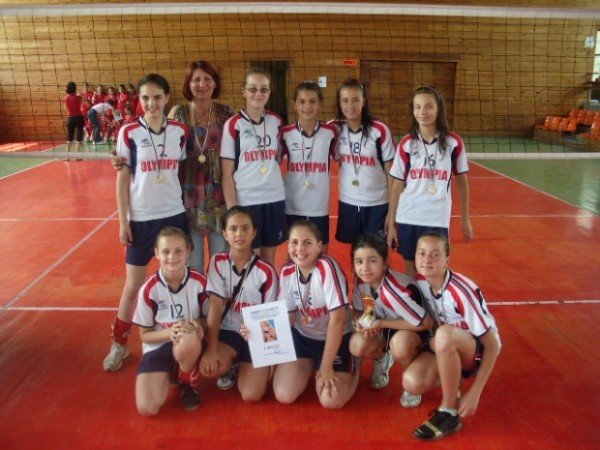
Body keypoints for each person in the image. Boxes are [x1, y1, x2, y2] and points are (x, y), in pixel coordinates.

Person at [103, 73, 191, 373]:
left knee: (178, 280)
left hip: (174, 214)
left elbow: (179, 171)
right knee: (133, 285)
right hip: (141, 219)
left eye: (157, 97)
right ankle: (119, 343)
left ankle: (184, 339)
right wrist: (123, 221)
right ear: (139, 100)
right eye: (145, 98)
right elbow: (123, 178)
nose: (151, 103)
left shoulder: (180, 131)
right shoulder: (128, 132)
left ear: (167, 98)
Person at [405, 232, 500, 441]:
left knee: (443, 335)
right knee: (412, 383)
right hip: (446, 345)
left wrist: (475, 392)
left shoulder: (460, 291)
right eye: (421, 253)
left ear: (447, 260)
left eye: (435, 254)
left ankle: (449, 412)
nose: (427, 259)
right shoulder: (420, 283)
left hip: (474, 352)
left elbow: (493, 344)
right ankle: (454, 381)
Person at [387, 86, 473, 278]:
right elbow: (396, 185)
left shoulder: (453, 143)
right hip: (408, 216)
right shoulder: (407, 143)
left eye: (428, 106)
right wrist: (391, 223)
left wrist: (465, 219)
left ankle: (434, 299)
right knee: (411, 271)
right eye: (418, 107)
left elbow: (462, 182)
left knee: (435, 270)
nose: (422, 112)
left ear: (438, 109)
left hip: (437, 218)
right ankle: (414, 298)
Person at [273, 220, 359, 409]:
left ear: (319, 246)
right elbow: (288, 318)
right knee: (283, 394)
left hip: (335, 339)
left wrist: (326, 366)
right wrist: (266, 344)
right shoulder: (287, 272)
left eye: (307, 243)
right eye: (294, 242)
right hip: (303, 339)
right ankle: (311, 364)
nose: (300, 249)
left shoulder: (327, 267)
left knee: (331, 400)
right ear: (287, 246)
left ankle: (354, 366)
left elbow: (338, 319)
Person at [200, 206, 278, 401]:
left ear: (254, 233)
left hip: (255, 334)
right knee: (208, 367)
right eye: (233, 229)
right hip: (228, 331)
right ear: (224, 234)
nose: (239, 234)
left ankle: (244, 364)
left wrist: (270, 358)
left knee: (251, 395)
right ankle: (232, 363)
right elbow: (215, 308)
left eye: (245, 228)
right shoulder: (218, 262)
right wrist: (211, 350)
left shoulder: (266, 271)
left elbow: (270, 319)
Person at [168, 60, 235, 273]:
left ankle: (217, 296)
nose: (202, 84)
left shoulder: (226, 113)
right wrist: (126, 158)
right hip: (188, 201)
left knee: (220, 265)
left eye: (207, 79)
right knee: (193, 265)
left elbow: (241, 149)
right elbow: (160, 145)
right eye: (196, 79)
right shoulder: (178, 113)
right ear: (188, 84)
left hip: (220, 199)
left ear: (215, 83)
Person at [132, 227, 207, 415]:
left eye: (178, 251)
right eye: (166, 251)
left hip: (190, 342)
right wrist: (168, 332)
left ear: (188, 251)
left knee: (187, 333)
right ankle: (172, 369)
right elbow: (144, 336)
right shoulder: (149, 289)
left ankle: (186, 380)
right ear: (157, 253)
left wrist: (199, 324)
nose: (172, 257)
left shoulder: (200, 282)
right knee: (147, 407)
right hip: (159, 343)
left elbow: (210, 319)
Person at [349, 234, 433, 400]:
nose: (365, 268)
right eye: (359, 261)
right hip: (386, 324)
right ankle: (383, 358)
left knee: (400, 345)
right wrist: (362, 321)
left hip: (414, 330)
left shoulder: (393, 291)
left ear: (385, 263)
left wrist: (380, 323)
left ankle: (411, 383)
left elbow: (426, 323)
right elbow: (360, 309)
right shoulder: (361, 282)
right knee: (357, 345)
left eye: (372, 261)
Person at [220, 68, 285, 266]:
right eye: (253, 89)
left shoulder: (276, 121)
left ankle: (269, 288)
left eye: (264, 89)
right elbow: (226, 173)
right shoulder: (234, 125)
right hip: (247, 202)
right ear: (244, 92)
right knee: (249, 259)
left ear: (269, 92)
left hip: (274, 198)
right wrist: (233, 211)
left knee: (269, 258)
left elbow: (279, 157)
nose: (258, 93)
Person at [329, 79, 395, 245]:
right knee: (355, 253)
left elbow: (392, 172)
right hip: (348, 202)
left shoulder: (379, 129)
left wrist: (392, 213)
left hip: (378, 204)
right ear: (339, 102)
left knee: (377, 252)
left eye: (355, 100)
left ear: (364, 101)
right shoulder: (334, 128)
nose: (350, 105)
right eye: (345, 100)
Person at [280, 81, 338, 254]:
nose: (307, 106)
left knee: (321, 255)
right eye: (302, 101)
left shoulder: (330, 132)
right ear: (295, 104)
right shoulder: (285, 134)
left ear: (320, 103)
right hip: (293, 204)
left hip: (318, 205)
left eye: (313, 101)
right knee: (294, 255)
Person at [63, 81, 84, 161]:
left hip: (70, 118)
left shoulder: (65, 98)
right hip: (79, 118)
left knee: (69, 139)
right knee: (79, 138)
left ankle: (67, 157)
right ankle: (77, 156)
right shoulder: (79, 97)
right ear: (75, 88)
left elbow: (66, 109)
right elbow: (87, 104)